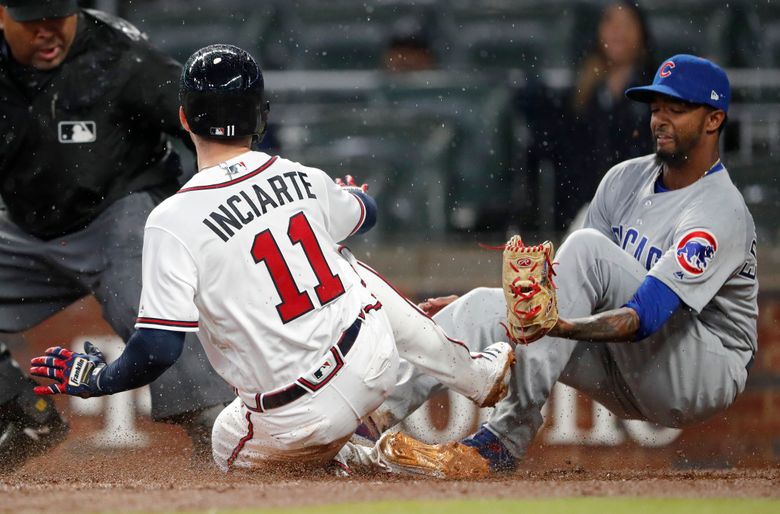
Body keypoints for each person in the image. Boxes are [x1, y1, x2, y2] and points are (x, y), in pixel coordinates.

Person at [28, 44, 515, 473]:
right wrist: (354, 195)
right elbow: (364, 212)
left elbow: (157, 350)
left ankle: (362, 461)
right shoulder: (302, 176)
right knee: (341, 262)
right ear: (261, 115)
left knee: (227, 441)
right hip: (373, 363)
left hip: (293, 418)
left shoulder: (171, 219)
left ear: (183, 118)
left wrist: (95, 378)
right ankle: (471, 373)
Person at [368, 54, 758, 476]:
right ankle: (367, 424)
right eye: (656, 108)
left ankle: (503, 439)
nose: (660, 119)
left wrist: (558, 325)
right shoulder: (624, 179)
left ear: (713, 119)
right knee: (480, 306)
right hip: (629, 361)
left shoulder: (719, 210)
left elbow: (645, 317)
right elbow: (566, 284)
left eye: (676, 109)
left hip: (700, 369)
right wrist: (514, 312)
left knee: (585, 251)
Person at [0, 0, 235, 470]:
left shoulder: (119, 55)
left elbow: (212, 125)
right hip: (26, 226)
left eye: (58, 17)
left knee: (147, 297)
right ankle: (24, 416)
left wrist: (219, 197)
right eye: (32, 21)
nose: (47, 31)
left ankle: (217, 432)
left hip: (121, 210)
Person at [554, 0, 656, 230]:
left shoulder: (655, 89)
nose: (617, 32)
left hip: (643, 211)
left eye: (626, 23)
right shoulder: (583, 92)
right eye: (610, 22)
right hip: (588, 207)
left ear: (642, 32)